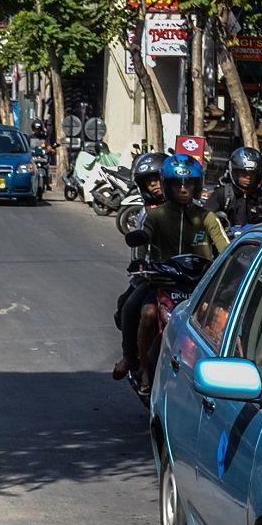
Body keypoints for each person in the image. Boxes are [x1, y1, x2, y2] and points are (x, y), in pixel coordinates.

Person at [130, 154, 231, 388]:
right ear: (168, 186)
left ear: (197, 186)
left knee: (226, 319)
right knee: (139, 311)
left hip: (199, 287)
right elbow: (141, 243)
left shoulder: (206, 217)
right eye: (177, 184)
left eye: (189, 184)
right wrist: (140, 263)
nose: (183, 189)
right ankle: (139, 363)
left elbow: (225, 249)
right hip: (162, 283)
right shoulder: (155, 216)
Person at [111, 151, 172, 381]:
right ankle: (132, 358)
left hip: (190, 279)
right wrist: (142, 268)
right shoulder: (147, 216)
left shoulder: (194, 211)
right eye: (149, 182)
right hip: (157, 278)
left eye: (158, 179)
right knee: (131, 307)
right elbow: (139, 253)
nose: (155, 186)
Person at [206, 147, 262, 228]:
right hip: (227, 239)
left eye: (253, 174)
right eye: (243, 173)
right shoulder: (222, 194)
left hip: (256, 239)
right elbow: (205, 220)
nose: (248, 177)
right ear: (235, 173)